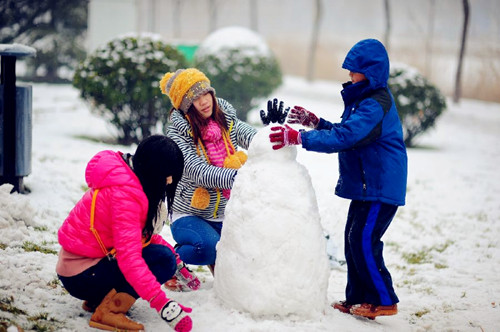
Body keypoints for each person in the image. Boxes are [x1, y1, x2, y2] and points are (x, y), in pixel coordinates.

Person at [269, 39, 407, 319]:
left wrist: (299, 137)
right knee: (352, 238)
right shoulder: (364, 100)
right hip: (368, 185)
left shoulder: (375, 104)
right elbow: (345, 131)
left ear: (369, 72)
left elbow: (346, 138)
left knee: (365, 240)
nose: (349, 75)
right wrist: (316, 123)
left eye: (354, 70)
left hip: (381, 185)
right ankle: (356, 297)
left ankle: (383, 299)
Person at [56, 135, 199, 332]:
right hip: (82, 275)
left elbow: (142, 237)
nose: (170, 181)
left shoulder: (126, 176)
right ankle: (109, 312)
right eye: (167, 175)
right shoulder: (126, 197)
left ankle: (100, 300)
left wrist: (178, 261)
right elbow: (129, 259)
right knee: (162, 260)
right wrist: (163, 304)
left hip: (82, 267)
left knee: (165, 257)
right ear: (153, 171)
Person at [159, 68, 257, 277]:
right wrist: (239, 177)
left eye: (206, 94)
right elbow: (197, 171)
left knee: (249, 250)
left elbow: (248, 135)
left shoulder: (224, 119)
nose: (204, 101)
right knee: (207, 249)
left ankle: (217, 257)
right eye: (196, 98)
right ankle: (171, 259)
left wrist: (272, 136)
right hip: (189, 213)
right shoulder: (179, 133)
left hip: (224, 212)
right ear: (186, 105)